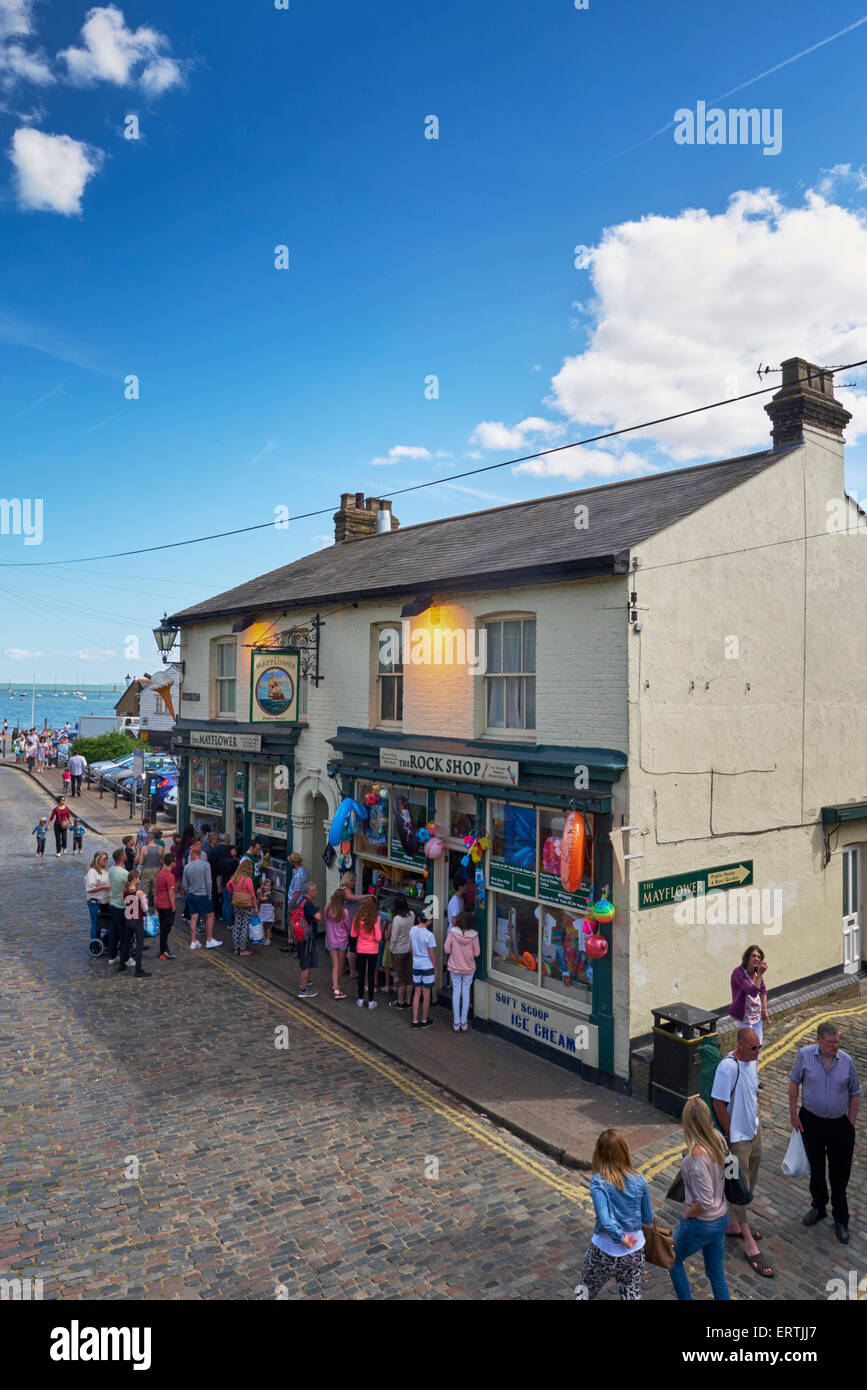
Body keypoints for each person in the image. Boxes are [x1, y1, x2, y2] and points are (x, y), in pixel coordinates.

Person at [788, 1021, 860, 1244]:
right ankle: (819, 1206)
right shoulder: (804, 1056)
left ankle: (841, 1219)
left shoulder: (847, 1061)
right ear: (819, 1040)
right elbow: (794, 1084)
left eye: (837, 1042)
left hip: (840, 1124)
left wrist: (851, 1123)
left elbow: (855, 1092)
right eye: (830, 1042)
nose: (835, 1046)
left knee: (839, 1175)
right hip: (812, 1121)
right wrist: (793, 1115)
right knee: (817, 1169)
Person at [711, 1026, 772, 1278]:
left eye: (759, 1046)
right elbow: (718, 1102)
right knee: (739, 1187)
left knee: (750, 1182)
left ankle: (734, 1224)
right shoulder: (728, 1067)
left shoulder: (751, 1062)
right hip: (737, 1140)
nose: (757, 1051)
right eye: (752, 1047)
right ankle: (748, 1241)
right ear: (739, 1045)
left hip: (753, 1133)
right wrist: (729, 1136)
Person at [579, 1129, 654, 1300]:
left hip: (604, 1250)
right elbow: (648, 1218)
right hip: (635, 1249)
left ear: (599, 1153)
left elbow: (604, 1220)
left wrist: (620, 1237)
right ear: (624, 1150)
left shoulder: (599, 1182)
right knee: (631, 1293)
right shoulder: (639, 1179)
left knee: (585, 1290)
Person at [668, 1097, 730, 1300]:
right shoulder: (718, 1138)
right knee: (716, 1274)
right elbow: (732, 1170)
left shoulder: (695, 1161)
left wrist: (686, 1215)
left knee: (672, 1260)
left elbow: (704, 1203)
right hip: (721, 1219)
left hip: (703, 1223)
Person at [444, 907, 480, 1033]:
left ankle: (456, 1022)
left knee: (456, 992)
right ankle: (464, 1023)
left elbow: (447, 950)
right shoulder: (474, 936)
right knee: (466, 993)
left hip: (455, 966)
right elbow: (477, 953)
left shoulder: (452, 933)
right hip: (469, 968)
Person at [730, 945, 769, 1046]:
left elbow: (763, 990)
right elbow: (753, 992)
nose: (756, 958)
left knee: (758, 1045)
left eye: (759, 957)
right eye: (753, 956)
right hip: (745, 1016)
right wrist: (760, 975)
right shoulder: (738, 972)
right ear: (747, 957)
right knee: (748, 1046)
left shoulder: (756, 973)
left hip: (757, 1015)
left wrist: (764, 1010)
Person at [183, 846, 220, 950]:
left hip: (191, 895)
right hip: (203, 894)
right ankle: (209, 940)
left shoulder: (187, 867)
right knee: (210, 916)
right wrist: (210, 895)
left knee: (194, 918)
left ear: (194, 854)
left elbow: (185, 884)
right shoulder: (206, 865)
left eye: (190, 854)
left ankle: (193, 941)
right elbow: (209, 881)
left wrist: (188, 892)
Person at [352, 895, 382, 1008]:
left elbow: (353, 934)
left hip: (360, 949)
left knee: (361, 975)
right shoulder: (374, 920)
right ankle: (370, 1001)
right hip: (373, 950)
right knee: (370, 975)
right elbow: (378, 938)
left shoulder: (357, 918)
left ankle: (360, 999)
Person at [119, 869, 150, 978]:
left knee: (125, 943)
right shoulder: (139, 893)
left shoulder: (125, 892)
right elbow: (145, 908)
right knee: (139, 945)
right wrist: (146, 901)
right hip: (137, 921)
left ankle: (121, 964)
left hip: (128, 920)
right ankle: (138, 969)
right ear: (135, 879)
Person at [225, 856, 258, 956]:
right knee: (244, 926)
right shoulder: (248, 880)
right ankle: (243, 949)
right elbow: (252, 894)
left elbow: (227, 885)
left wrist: (235, 892)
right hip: (247, 905)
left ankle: (236, 948)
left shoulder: (235, 877)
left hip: (237, 904)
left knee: (237, 925)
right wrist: (256, 907)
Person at [409, 913, 437, 1028]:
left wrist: (415, 958)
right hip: (427, 965)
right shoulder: (429, 935)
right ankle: (424, 1020)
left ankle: (415, 1020)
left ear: (419, 919)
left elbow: (411, 947)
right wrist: (435, 968)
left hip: (416, 964)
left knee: (416, 993)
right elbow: (431, 954)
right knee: (426, 994)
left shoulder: (412, 930)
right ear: (429, 921)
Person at [293, 882, 321, 998]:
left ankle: (306, 981)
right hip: (307, 938)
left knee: (304, 961)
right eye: (315, 890)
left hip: (300, 936)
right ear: (310, 892)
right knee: (307, 963)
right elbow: (318, 917)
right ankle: (303, 989)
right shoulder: (308, 904)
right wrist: (317, 911)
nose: (317, 892)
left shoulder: (301, 901)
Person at [387, 895, 414, 1010]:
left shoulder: (397, 919)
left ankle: (400, 1001)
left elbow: (394, 937)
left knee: (400, 977)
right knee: (409, 977)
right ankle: (408, 1001)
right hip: (409, 949)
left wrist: (391, 949)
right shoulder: (412, 914)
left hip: (398, 951)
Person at [323, 887, 349, 998]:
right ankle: (336, 989)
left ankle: (335, 986)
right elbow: (348, 926)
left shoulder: (327, 909)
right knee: (340, 965)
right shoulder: (345, 912)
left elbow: (325, 922)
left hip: (331, 941)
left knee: (335, 965)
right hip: (342, 940)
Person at [339, 869, 364, 978]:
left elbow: (354, 901)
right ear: (348, 881)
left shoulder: (342, 890)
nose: (354, 883)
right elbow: (351, 898)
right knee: (352, 948)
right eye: (353, 881)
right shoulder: (345, 891)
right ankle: (353, 971)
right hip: (350, 925)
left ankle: (342, 968)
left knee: (344, 947)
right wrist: (367, 896)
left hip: (344, 924)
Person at [84, 851, 111, 950]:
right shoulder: (92, 872)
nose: (106, 861)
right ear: (98, 860)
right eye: (104, 859)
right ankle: (95, 945)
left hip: (105, 901)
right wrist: (104, 886)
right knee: (96, 924)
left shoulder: (105, 870)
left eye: (107, 859)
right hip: (95, 901)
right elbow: (89, 888)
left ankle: (105, 941)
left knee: (107, 923)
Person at [107, 847, 128, 965]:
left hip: (113, 903)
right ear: (122, 857)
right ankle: (125, 957)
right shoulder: (124, 873)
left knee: (114, 932)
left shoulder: (111, 869)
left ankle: (112, 956)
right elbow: (130, 888)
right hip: (121, 905)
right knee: (124, 934)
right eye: (125, 854)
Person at [155, 852, 177, 960]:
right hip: (166, 904)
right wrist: (174, 907)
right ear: (172, 862)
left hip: (159, 903)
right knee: (166, 929)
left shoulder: (160, 873)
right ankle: (163, 950)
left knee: (163, 928)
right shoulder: (170, 876)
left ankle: (164, 949)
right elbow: (171, 893)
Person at [136, 833, 164, 909]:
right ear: (154, 839)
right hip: (157, 870)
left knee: (145, 891)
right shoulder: (160, 848)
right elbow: (162, 861)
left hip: (146, 870)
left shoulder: (144, 848)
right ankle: (156, 910)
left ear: (148, 839)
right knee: (155, 891)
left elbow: (141, 862)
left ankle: (146, 909)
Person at [257, 872, 274, 946]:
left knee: (268, 926)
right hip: (263, 911)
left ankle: (268, 939)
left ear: (271, 887)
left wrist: (259, 893)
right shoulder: (264, 892)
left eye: (267, 886)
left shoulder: (269, 895)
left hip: (268, 912)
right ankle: (263, 938)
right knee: (263, 925)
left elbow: (261, 899)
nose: (266, 887)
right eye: (265, 885)